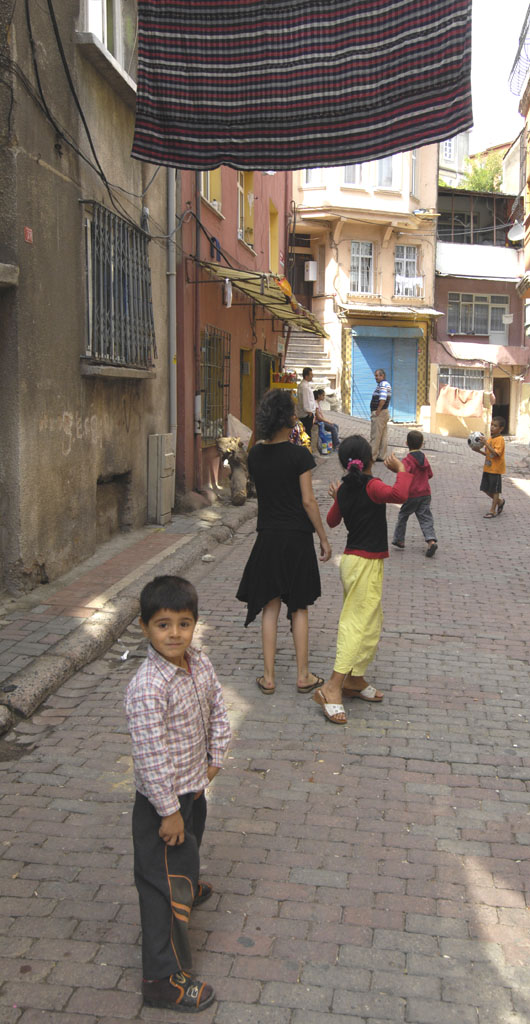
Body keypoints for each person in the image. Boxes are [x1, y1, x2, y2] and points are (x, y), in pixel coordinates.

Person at [125, 575, 231, 1014]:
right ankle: (162, 978)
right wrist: (168, 811)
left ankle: (185, 884)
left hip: (193, 787)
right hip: (161, 803)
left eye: (183, 624)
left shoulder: (199, 663)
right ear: (145, 627)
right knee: (159, 885)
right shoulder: (148, 687)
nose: (174, 634)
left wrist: (215, 757)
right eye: (163, 624)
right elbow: (150, 758)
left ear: (195, 624)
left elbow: (218, 708)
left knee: (186, 850)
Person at [236, 389, 332, 694]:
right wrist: (323, 538)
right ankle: (303, 675)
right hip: (298, 539)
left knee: (270, 606)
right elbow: (308, 501)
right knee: (299, 607)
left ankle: (268, 677)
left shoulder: (255, 455)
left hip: (268, 538)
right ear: (287, 417)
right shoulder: (299, 455)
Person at [311, 435, 411, 724]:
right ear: (369, 460)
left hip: (358, 562)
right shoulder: (372, 486)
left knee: (370, 621)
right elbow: (400, 495)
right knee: (356, 624)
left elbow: (332, 521)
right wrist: (402, 470)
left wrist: (338, 499)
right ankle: (332, 686)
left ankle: (354, 678)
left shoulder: (346, 489)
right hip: (363, 564)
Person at [392, 430, 438, 557]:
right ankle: (431, 541)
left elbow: (404, 475)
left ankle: (399, 539)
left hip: (412, 494)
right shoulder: (425, 459)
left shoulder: (407, 460)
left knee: (403, 515)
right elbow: (430, 474)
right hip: (425, 493)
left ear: (406, 443)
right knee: (425, 518)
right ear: (422, 444)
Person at [476, 415, 507, 518]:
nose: (492, 427)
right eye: (492, 425)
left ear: (501, 429)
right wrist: (478, 451)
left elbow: (496, 453)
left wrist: (486, 443)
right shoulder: (490, 439)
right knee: (485, 489)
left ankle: (492, 510)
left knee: (495, 490)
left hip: (496, 469)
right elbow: (488, 454)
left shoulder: (500, 440)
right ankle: (500, 501)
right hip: (487, 468)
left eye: (495, 426)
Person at [369, 368, 391, 462]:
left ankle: (372, 456)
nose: (376, 377)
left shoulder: (383, 384)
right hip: (384, 412)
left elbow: (383, 398)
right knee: (383, 436)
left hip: (380, 413)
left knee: (376, 435)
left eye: (377, 376)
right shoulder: (385, 384)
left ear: (382, 376)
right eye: (375, 376)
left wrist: (378, 410)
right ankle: (382, 455)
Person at [297, 366, 316, 438]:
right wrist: (309, 412)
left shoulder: (304, 385)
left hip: (306, 414)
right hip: (306, 415)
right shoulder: (304, 387)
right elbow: (306, 400)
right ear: (306, 376)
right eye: (311, 374)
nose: (312, 376)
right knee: (307, 435)